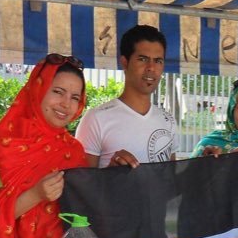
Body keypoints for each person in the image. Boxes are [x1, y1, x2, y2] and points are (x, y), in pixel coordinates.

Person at [0, 54, 87, 238]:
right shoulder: (4, 145)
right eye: (58, 92)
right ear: (38, 89)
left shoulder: (74, 151)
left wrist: (116, 171)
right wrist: (36, 194)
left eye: (74, 97)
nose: (66, 104)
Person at [76, 24, 178, 168]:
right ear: (124, 62)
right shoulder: (96, 119)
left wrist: (207, 161)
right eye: (143, 59)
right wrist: (111, 173)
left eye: (158, 61)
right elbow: (83, 185)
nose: (151, 68)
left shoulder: (169, 121)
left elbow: (172, 178)